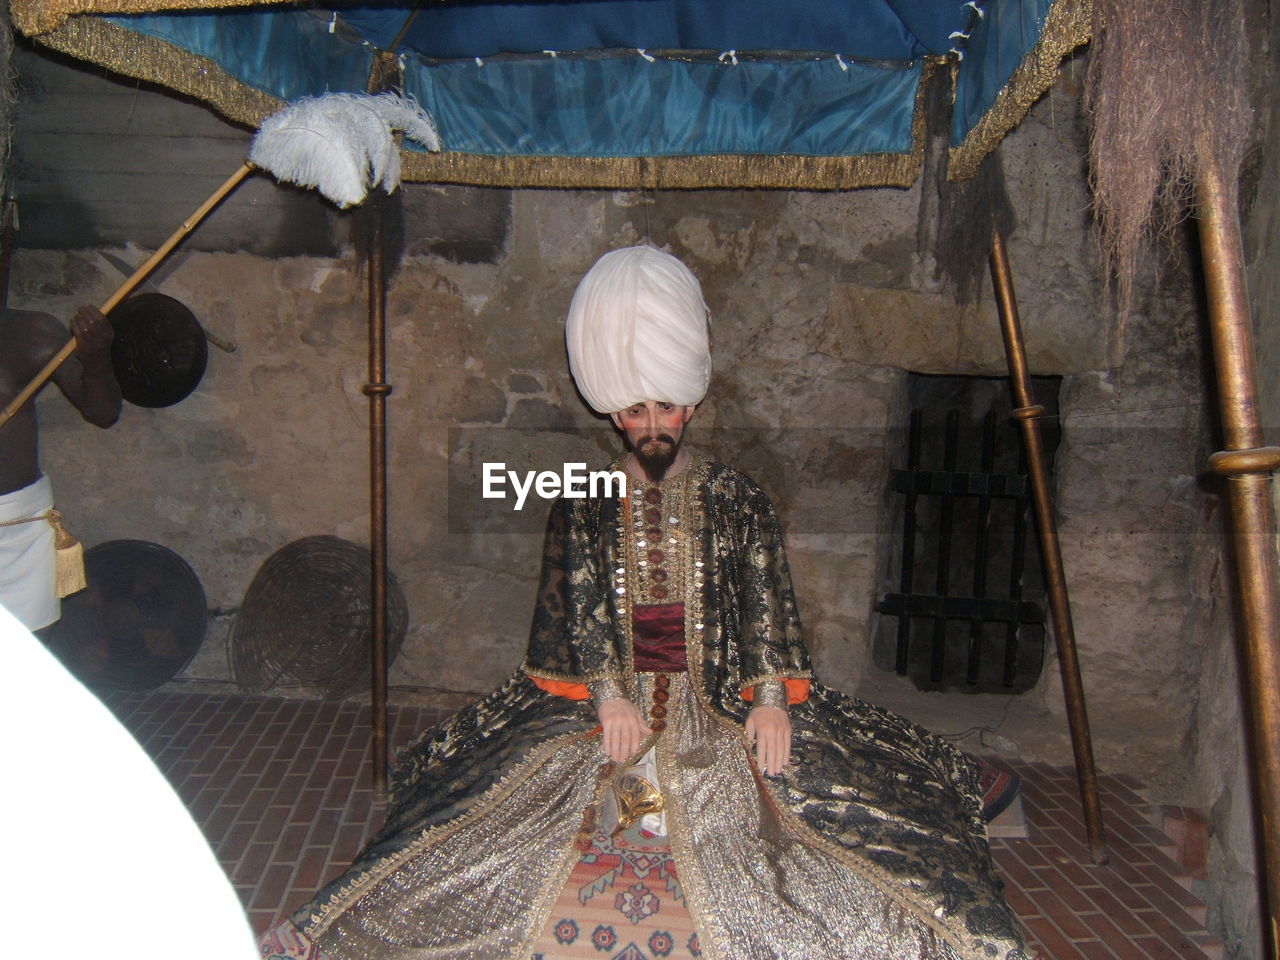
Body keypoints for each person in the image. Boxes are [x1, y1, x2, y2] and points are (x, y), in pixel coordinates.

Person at [269, 246, 1026, 960]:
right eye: (636, 410)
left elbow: (766, 604)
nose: (654, 424)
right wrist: (608, 697)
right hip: (607, 702)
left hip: (718, 699)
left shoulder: (738, 498)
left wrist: (767, 701)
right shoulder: (582, 500)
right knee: (487, 825)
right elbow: (583, 609)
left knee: (834, 821)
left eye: (668, 406)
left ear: (692, 403)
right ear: (611, 413)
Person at [0, 304, 120, 631]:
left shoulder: (29, 331)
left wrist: (96, 359)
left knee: (25, 665)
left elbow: (103, 411)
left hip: (17, 531)